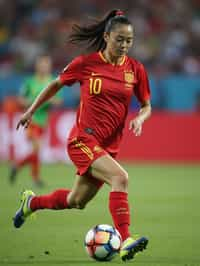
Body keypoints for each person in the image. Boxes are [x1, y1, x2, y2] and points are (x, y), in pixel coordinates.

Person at [13, 10, 151, 261]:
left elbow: (146, 104)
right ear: (107, 36)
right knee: (120, 178)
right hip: (82, 140)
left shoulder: (135, 70)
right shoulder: (86, 64)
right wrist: (31, 110)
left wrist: (141, 118)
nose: (124, 45)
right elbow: (55, 84)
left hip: (109, 147)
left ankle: (30, 204)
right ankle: (126, 239)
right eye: (119, 39)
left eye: (129, 41)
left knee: (75, 201)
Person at [9, 55, 62, 187]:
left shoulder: (52, 81)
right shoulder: (29, 82)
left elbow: (58, 100)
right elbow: (20, 100)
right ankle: (35, 178)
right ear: (37, 66)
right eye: (42, 64)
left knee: (36, 151)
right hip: (31, 120)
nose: (44, 67)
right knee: (37, 148)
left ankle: (18, 165)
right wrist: (34, 102)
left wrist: (49, 101)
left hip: (43, 121)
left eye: (46, 65)